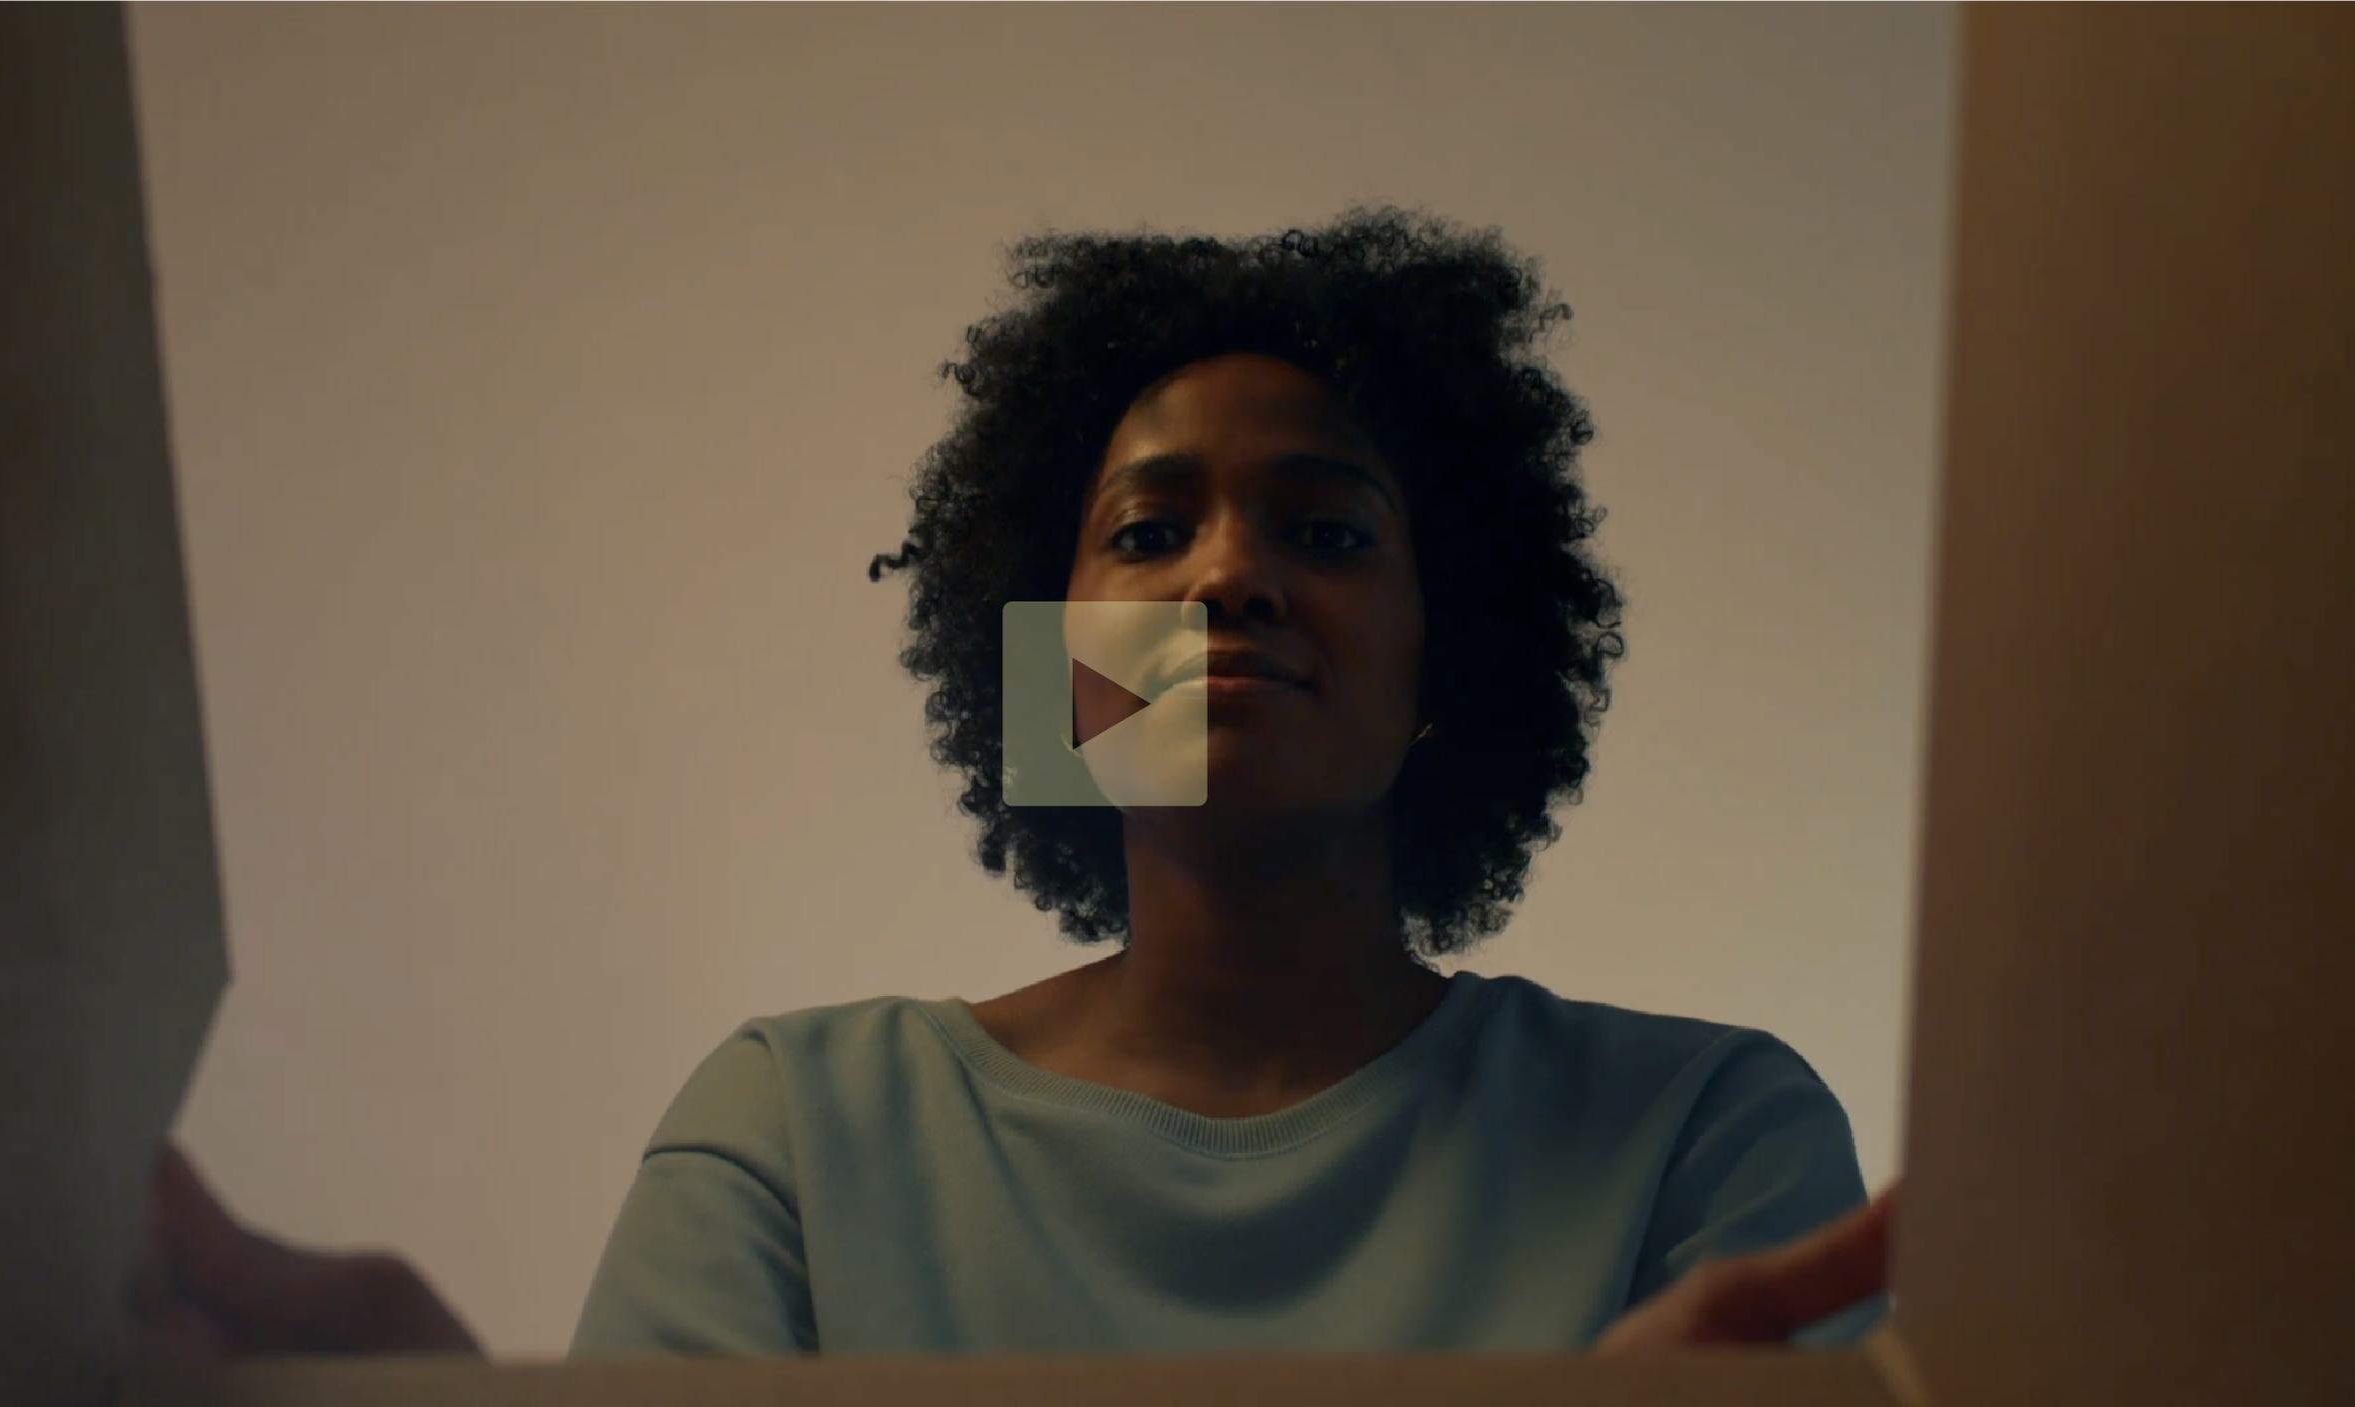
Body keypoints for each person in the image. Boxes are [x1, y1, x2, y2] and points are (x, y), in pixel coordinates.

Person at [129, 205, 1898, 1364]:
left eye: (1329, 527)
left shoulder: (1704, 1137)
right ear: (1047, 661)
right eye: (1147, 530)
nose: (1227, 577)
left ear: (1458, 659)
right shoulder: (799, 1130)